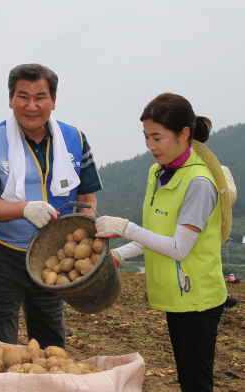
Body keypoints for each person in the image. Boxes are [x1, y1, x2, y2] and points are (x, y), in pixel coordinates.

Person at [95, 93, 237, 392]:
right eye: (146, 137)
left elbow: (179, 247)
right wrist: (120, 253)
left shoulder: (198, 183)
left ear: (184, 134)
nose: (150, 146)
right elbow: (157, 232)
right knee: (187, 377)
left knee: (196, 382)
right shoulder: (158, 173)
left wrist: (126, 227)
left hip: (197, 298)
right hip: (175, 295)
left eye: (157, 137)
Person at [0, 63, 103, 349]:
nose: (31, 106)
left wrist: (82, 232)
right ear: (11, 99)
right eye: (23, 96)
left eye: (40, 97)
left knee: (50, 343)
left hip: (54, 256)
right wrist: (23, 208)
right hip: (0, 254)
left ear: (53, 101)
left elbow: (86, 198)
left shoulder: (75, 140)